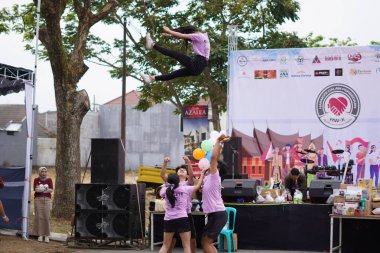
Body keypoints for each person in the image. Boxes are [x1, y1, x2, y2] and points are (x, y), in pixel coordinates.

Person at [140, 25, 210, 84]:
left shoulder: (198, 36)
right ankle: (151, 78)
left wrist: (169, 31)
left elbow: (181, 35)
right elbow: (181, 36)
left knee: (174, 54)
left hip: (198, 63)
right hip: (199, 68)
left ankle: (153, 45)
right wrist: (169, 35)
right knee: (173, 75)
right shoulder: (203, 37)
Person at [159, 172, 205, 253]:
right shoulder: (185, 188)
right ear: (178, 181)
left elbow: (161, 193)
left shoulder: (164, 190)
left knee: (165, 245)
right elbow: (198, 186)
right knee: (186, 246)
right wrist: (201, 175)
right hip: (182, 218)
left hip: (168, 219)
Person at [160, 156, 196, 253]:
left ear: (187, 175)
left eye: (184, 170)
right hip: (174, 215)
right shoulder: (170, 184)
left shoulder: (188, 183)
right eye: (180, 169)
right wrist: (165, 163)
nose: (181, 170)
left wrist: (188, 162)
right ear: (175, 175)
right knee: (171, 242)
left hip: (186, 214)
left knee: (191, 240)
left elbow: (192, 175)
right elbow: (163, 175)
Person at [201, 134, 230, 253]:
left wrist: (218, 140)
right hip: (214, 214)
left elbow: (213, 158)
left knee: (206, 243)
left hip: (218, 214)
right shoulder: (208, 178)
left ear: (217, 169)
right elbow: (215, 157)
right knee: (204, 241)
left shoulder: (215, 176)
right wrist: (220, 145)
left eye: (214, 165)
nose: (211, 164)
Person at [32, 167, 53, 243]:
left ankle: (47, 235)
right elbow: (36, 189)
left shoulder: (49, 180)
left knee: (46, 216)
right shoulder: (36, 180)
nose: (44, 173)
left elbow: (51, 189)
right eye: (42, 171)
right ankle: (40, 235)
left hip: (47, 200)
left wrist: (42, 189)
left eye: (45, 171)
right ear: (39, 172)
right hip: (38, 200)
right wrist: (45, 189)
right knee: (39, 217)